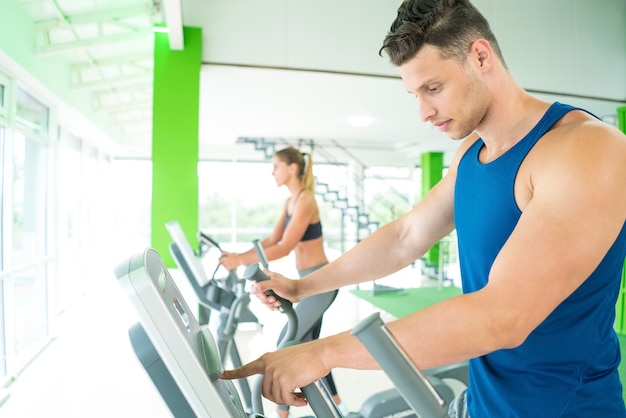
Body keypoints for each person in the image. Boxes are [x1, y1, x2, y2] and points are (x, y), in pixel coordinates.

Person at [221, 0, 626, 417]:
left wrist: (324, 353)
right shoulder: (472, 153)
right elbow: (405, 237)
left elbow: (503, 315)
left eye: (433, 88)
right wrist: (305, 287)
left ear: (481, 56)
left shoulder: (587, 149)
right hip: (483, 404)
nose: (424, 112)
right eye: (415, 94)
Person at [218, 146, 347, 417]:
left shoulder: (306, 200)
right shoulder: (291, 201)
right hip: (308, 280)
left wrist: (240, 262)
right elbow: (270, 241)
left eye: (276, 166)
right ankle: (339, 406)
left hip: (320, 282)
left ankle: (281, 413)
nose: (272, 171)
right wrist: (237, 255)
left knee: (287, 341)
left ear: (291, 168)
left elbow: (286, 246)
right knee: (308, 342)